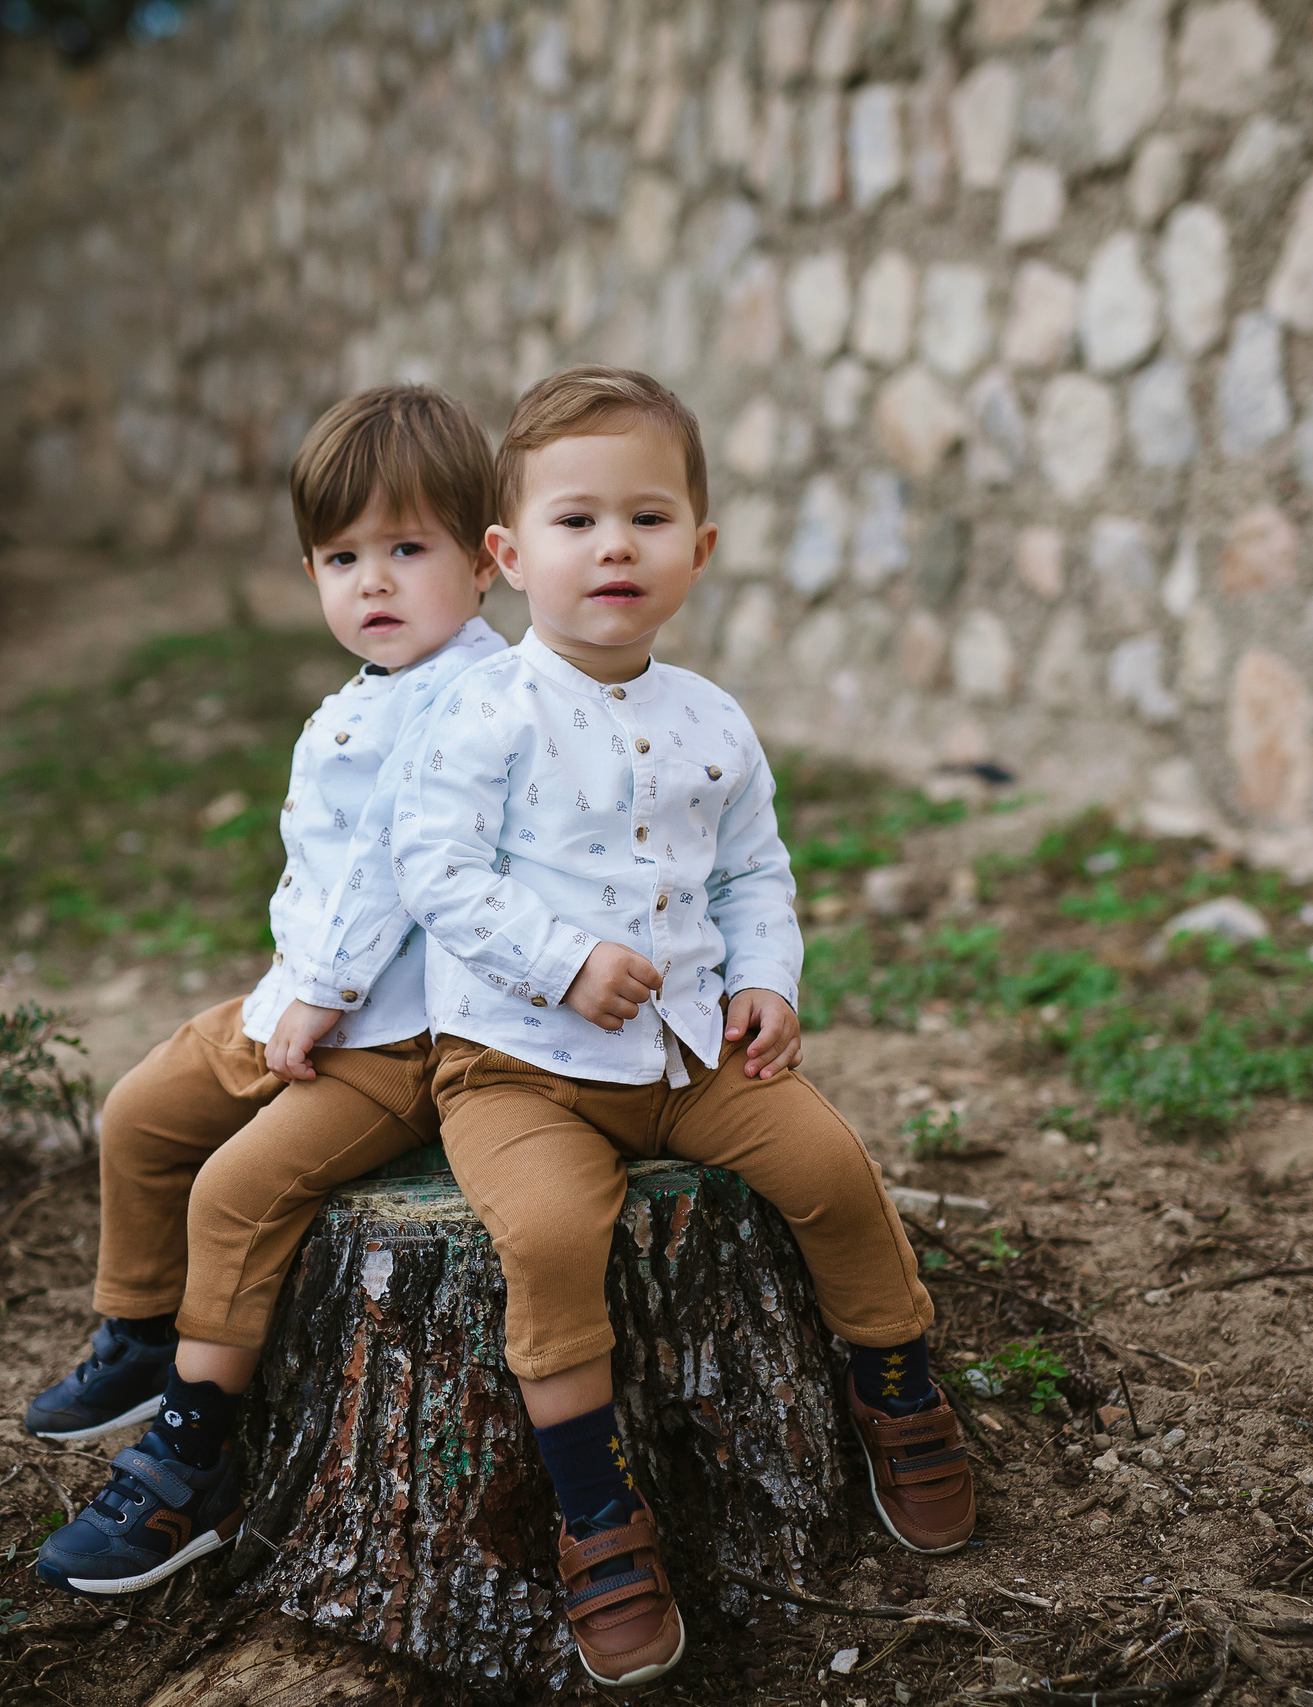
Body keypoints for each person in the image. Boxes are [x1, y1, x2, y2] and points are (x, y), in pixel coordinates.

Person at [393, 366, 974, 1688]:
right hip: (520, 1065)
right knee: (548, 1235)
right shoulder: (481, 711)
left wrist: (769, 974)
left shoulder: (712, 718)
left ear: (698, 550)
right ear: (506, 554)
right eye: (576, 520)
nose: (614, 547)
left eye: (648, 519)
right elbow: (440, 871)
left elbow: (751, 872)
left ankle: (896, 1385)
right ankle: (596, 1509)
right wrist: (561, 960)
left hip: (690, 1050)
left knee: (828, 1165)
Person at [30, 385, 511, 1599]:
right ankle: (141, 1333)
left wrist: (327, 994)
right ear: (309, 571)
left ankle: (189, 1465)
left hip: (398, 1039)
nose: (375, 583)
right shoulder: (355, 700)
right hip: (298, 998)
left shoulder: (480, 699)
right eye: (344, 557)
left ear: (485, 560)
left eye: (409, 550)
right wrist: (290, 993)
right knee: (142, 1112)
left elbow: (411, 862)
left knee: (238, 1195)